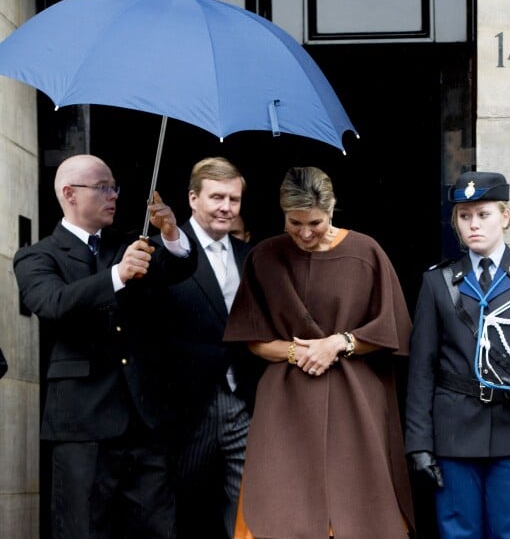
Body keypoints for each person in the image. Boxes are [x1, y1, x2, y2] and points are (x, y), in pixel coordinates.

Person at [223, 166, 415, 539]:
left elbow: (393, 329)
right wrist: (297, 352)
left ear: (332, 209)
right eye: (295, 223)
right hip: (285, 400)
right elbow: (251, 338)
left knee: (360, 509)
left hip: (354, 397)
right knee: (278, 508)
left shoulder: (366, 251)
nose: (306, 233)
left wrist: (338, 343)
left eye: (316, 222)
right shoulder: (264, 257)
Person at [12, 153, 197, 539]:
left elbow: (175, 268)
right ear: (69, 194)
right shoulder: (37, 255)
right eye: (102, 187)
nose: (114, 195)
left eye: (115, 186)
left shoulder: (130, 242)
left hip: (144, 421)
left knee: (158, 528)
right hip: (83, 424)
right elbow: (53, 303)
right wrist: (117, 275)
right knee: (83, 528)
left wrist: (170, 233)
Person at [405, 170, 510, 539]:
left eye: (483, 214)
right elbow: (421, 368)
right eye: (464, 216)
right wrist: (419, 444)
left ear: (505, 216)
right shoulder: (438, 281)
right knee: (458, 534)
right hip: (453, 434)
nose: (473, 225)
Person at [157, 157, 263, 539]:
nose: (226, 207)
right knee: (181, 514)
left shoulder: (251, 257)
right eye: (217, 197)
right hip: (184, 409)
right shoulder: (160, 251)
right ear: (192, 198)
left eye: (234, 200)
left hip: (242, 402)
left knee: (248, 514)